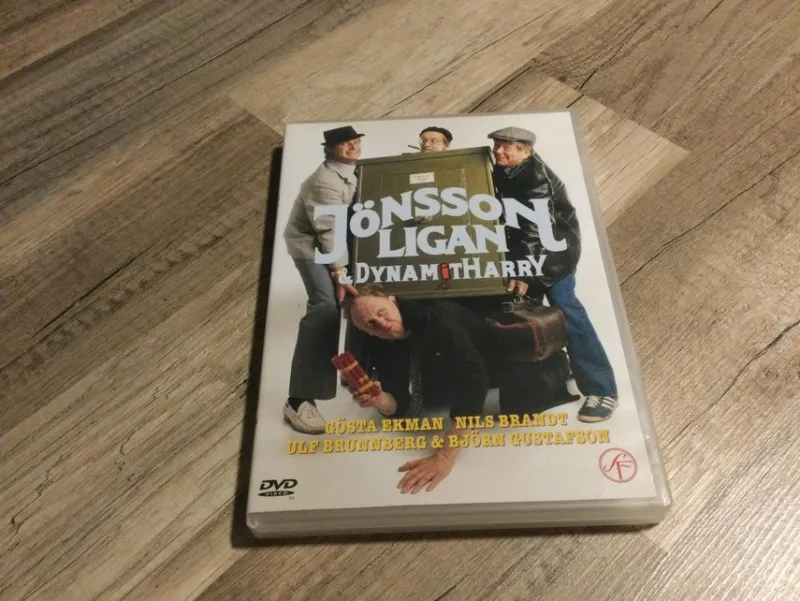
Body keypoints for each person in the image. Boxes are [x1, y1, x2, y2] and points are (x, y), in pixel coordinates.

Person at [341, 285, 573, 494]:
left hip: (509, 363)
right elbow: (400, 402)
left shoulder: (438, 316)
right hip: (458, 371)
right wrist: (380, 400)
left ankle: (557, 367)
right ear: (364, 331)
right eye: (370, 324)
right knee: (436, 396)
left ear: (392, 300)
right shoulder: (379, 342)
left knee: (520, 408)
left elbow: (474, 378)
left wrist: (445, 456)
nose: (381, 324)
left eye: (382, 313)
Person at [487, 126, 618, 423]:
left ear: (525, 150)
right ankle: (547, 381)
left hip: (554, 256)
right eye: (497, 145)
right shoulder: (504, 170)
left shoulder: (535, 176)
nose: (499, 151)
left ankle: (602, 390)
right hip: (528, 256)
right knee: (524, 319)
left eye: (507, 146)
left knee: (566, 313)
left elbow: (537, 227)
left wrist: (524, 270)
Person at [281, 125, 362, 434]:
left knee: (362, 298)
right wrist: (340, 273)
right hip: (311, 245)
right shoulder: (324, 180)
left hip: (341, 243)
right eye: (345, 144)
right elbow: (328, 229)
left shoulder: (355, 170)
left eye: (355, 141)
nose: (353, 147)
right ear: (329, 150)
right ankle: (298, 400)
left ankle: (355, 374)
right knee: (326, 307)